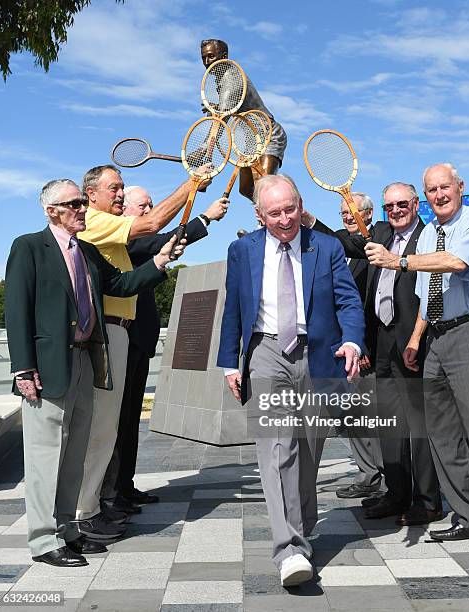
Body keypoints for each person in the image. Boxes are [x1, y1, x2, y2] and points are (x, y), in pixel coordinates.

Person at [4, 179, 184, 567]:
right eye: (75, 204)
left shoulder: (86, 251)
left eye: (83, 202)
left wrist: (159, 261)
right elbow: (17, 310)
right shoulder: (29, 247)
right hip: (48, 368)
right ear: (52, 210)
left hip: (87, 360)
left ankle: (70, 531)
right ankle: (42, 540)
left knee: (73, 455)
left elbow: (120, 284)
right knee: (45, 455)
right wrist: (23, 369)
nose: (84, 208)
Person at [217, 175, 365, 585]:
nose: (285, 220)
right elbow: (234, 307)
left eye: (291, 209)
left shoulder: (328, 246)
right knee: (278, 445)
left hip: (318, 355)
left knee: (308, 449)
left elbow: (348, 301)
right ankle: (290, 550)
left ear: (301, 205)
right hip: (266, 352)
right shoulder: (242, 250)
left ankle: (301, 521)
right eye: (275, 213)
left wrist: (352, 341)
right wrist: (232, 362)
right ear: (259, 215)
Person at [367, 163, 469, 554]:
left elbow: (456, 263)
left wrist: (400, 262)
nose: (439, 195)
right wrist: (415, 340)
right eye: (432, 190)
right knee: (442, 435)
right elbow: (429, 295)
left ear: (460, 187)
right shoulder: (429, 236)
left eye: (445, 187)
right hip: (436, 340)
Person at [75, 164, 211, 538]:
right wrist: (193, 184)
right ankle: (87, 510)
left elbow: (127, 276)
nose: (119, 194)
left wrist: (163, 257)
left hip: (122, 334)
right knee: (103, 429)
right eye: (114, 187)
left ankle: (99, 502)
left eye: (121, 187)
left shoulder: (105, 228)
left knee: (110, 427)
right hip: (109, 335)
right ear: (92, 195)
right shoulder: (94, 220)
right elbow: (149, 229)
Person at [304, 184, 442, 526]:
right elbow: (346, 242)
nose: (395, 210)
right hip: (381, 341)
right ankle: (397, 495)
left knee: (419, 426)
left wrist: (415, 338)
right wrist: (308, 218)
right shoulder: (379, 232)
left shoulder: (428, 237)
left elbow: (433, 294)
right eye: (389, 205)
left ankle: (427, 501)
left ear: (415, 204)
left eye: (401, 204)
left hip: (412, 342)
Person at [104, 186, 229, 509]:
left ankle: (124, 485)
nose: (149, 212)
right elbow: (159, 239)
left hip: (138, 339)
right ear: (126, 210)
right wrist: (205, 217)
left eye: (150, 206)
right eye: (143, 207)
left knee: (130, 420)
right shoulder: (120, 236)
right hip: (121, 340)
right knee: (116, 422)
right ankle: (111, 494)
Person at [321, 194, 384, 500]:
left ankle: (380, 476)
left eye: (353, 211)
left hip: (363, 351)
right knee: (347, 416)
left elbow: (371, 306)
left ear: (369, 214)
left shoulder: (375, 244)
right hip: (338, 350)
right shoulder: (338, 247)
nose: (348, 216)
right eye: (344, 212)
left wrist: (364, 349)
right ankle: (368, 472)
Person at [200, 39, 287, 201]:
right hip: (250, 141)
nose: (206, 62)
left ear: (223, 56)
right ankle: (272, 212)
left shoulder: (232, 77)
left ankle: (285, 212)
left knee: (264, 186)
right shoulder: (220, 78)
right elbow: (221, 113)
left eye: (210, 57)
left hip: (269, 135)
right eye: (203, 58)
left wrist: (204, 147)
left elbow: (222, 116)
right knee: (246, 189)